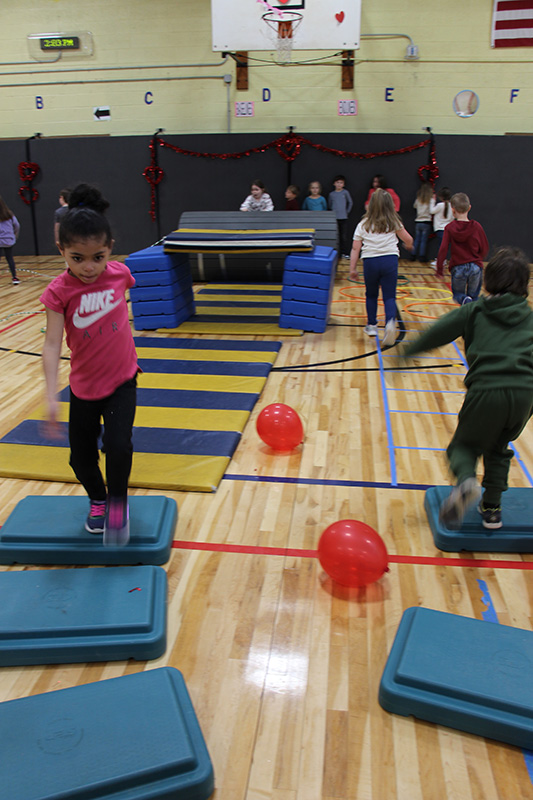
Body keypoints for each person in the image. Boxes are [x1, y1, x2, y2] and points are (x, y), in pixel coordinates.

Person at [404, 246, 533, 530]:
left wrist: (408, 351)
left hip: (488, 389)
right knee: (498, 447)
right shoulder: (530, 316)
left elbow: (439, 331)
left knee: (464, 445)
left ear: (489, 281)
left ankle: (465, 483)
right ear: (524, 285)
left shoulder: (476, 310)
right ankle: (492, 511)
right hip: (525, 394)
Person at [40, 183, 138, 546]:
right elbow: (51, 344)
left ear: (110, 249)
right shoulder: (58, 292)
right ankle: (98, 497)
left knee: (117, 445)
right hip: (83, 387)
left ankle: (116, 503)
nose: (89, 267)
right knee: (80, 460)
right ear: (62, 251)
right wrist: (51, 394)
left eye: (98, 256)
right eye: (77, 258)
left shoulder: (120, 274)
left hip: (122, 380)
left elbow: (119, 309)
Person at [349, 188, 413, 346]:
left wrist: (352, 268)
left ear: (371, 205)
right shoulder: (394, 222)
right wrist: (409, 245)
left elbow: (355, 248)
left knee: (371, 294)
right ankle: (390, 322)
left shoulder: (363, 223)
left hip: (370, 262)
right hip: (389, 260)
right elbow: (408, 238)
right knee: (389, 296)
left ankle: (371, 325)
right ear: (390, 205)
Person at [436, 192, 489, 305]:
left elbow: (443, 249)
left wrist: (440, 268)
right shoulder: (476, 226)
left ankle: (464, 301)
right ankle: (472, 316)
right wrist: (479, 259)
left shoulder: (449, 228)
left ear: (453, 210)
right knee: (473, 297)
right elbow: (484, 247)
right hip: (475, 266)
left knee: (458, 296)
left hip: (458, 267)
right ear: (469, 208)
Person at [328, 175, 353, 259]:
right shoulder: (332, 194)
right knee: (335, 236)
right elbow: (330, 204)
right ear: (334, 183)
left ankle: (344, 253)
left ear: (344, 184)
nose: (339, 184)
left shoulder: (345, 192)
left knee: (343, 236)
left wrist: (346, 212)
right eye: (337, 182)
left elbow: (350, 202)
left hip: (343, 218)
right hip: (334, 218)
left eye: (341, 183)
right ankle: (335, 253)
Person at [429, 186, 453, 267]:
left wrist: (432, 200)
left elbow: (431, 211)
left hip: (440, 229)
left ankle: (441, 261)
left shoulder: (440, 205)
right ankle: (442, 260)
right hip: (447, 229)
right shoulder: (451, 206)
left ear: (441, 196)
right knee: (443, 246)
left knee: (441, 246)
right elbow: (453, 218)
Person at [0, 196, 20, 285]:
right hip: (8, 240)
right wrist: (14, 236)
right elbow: (17, 226)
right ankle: (14, 277)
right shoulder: (9, 214)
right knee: (9, 258)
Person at [411, 182, 433, 263]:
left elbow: (414, 206)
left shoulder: (418, 199)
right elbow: (431, 210)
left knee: (417, 239)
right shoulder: (430, 200)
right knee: (423, 240)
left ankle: (413, 255)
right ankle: (422, 256)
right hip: (426, 221)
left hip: (418, 221)